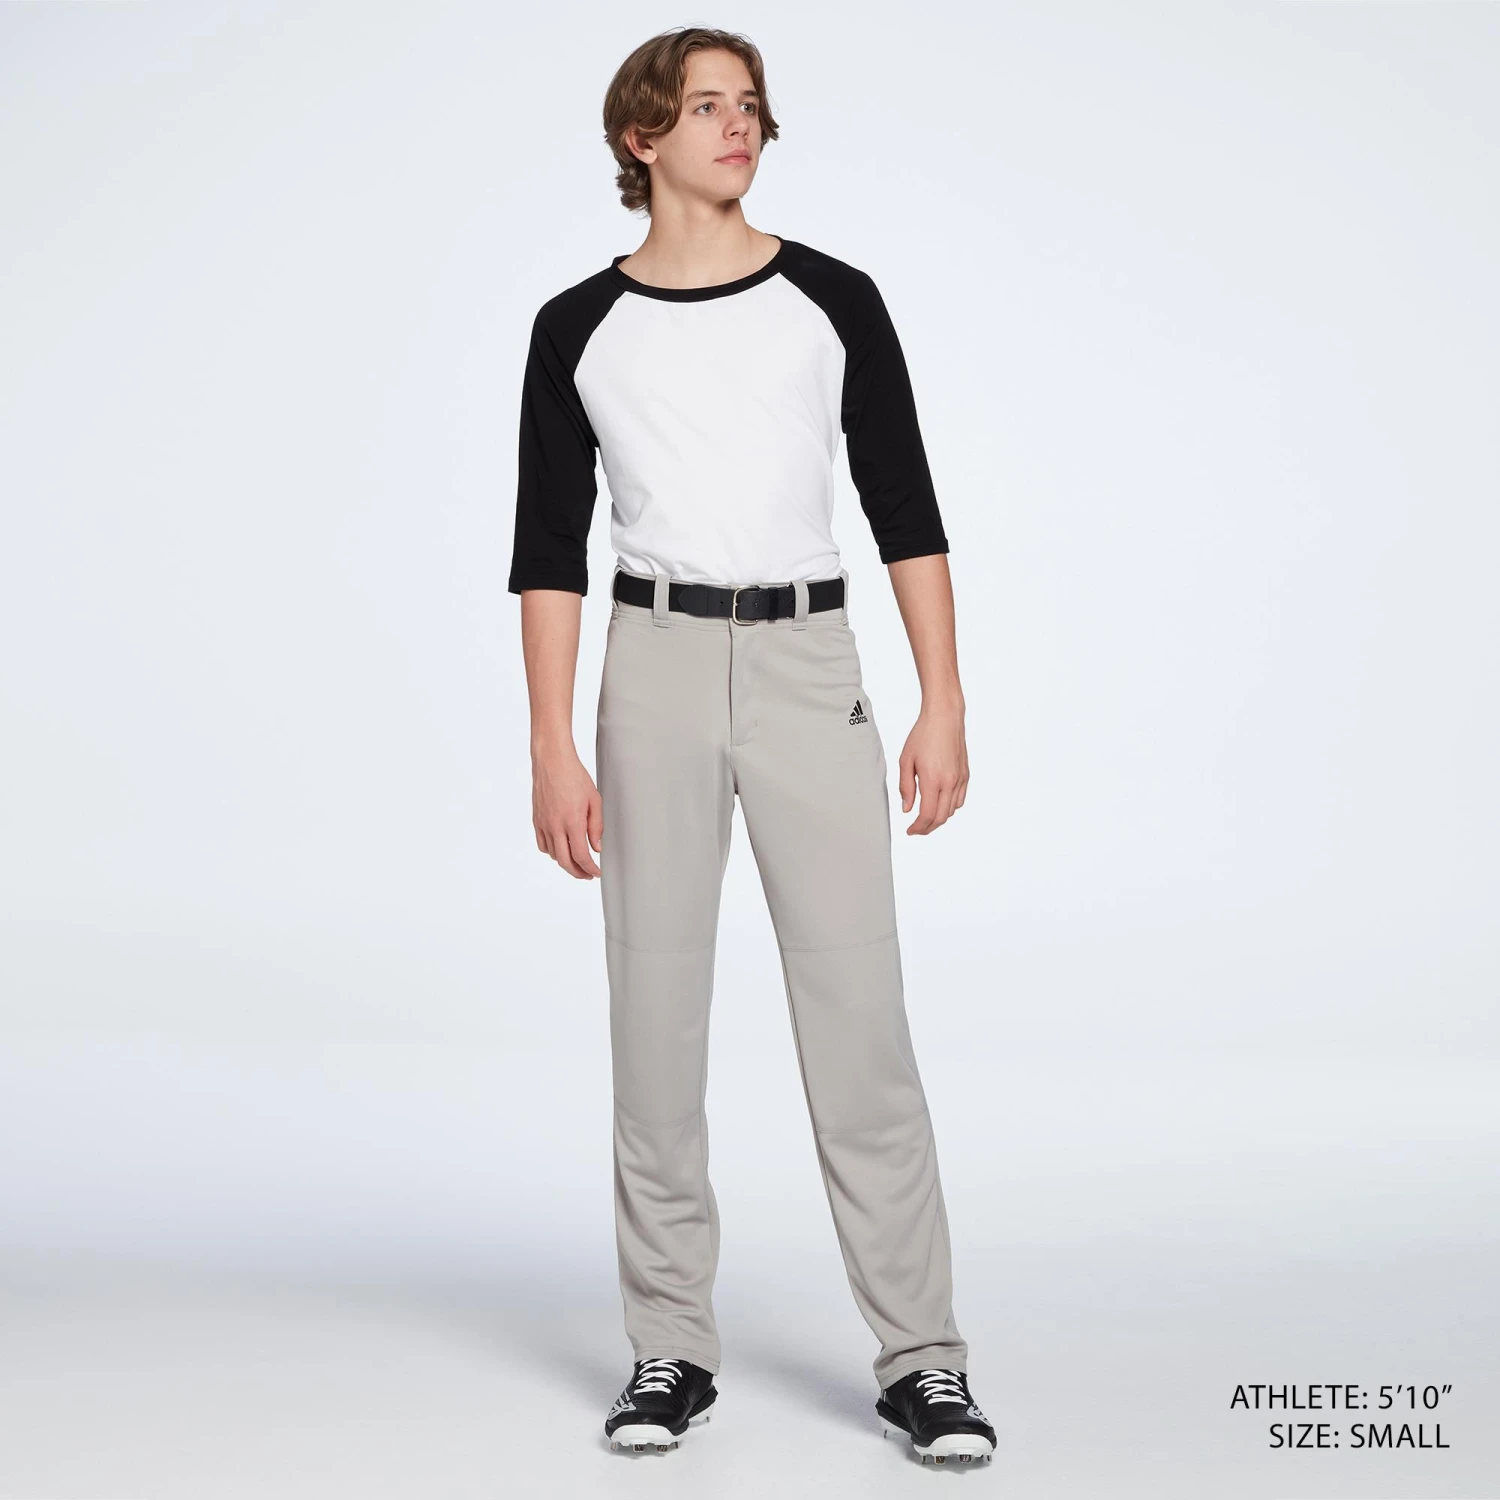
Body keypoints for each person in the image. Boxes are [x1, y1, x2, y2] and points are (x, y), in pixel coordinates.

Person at [507, 26, 995, 1468]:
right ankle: (669, 1346)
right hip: (650, 668)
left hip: (807, 659)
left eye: (752, 105)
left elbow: (905, 506)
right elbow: (547, 552)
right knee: (652, 1021)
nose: (741, 126)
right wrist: (551, 744)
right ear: (641, 137)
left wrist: (944, 697)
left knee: (860, 1020)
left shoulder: (834, 300)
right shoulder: (574, 329)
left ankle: (924, 1360)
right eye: (708, 105)